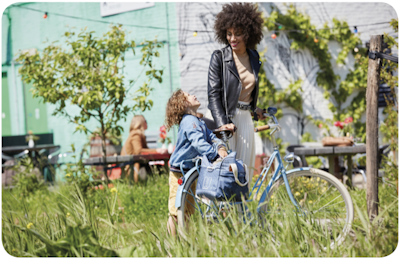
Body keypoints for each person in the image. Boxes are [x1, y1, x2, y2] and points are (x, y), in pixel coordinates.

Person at [205, 2, 266, 186]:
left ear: (248, 33)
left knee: (243, 173)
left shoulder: (254, 58)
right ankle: (213, 214)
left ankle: (240, 215)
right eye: (229, 33)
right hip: (223, 119)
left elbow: (247, 92)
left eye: (238, 33)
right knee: (222, 173)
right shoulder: (219, 58)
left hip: (245, 120)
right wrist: (223, 124)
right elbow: (214, 95)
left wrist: (256, 110)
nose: (233, 38)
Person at [164, 89, 228, 236]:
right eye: (188, 96)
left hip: (191, 171)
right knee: (175, 211)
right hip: (179, 171)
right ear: (183, 104)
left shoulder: (199, 121)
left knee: (188, 211)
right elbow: (198, 143)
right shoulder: (189, 122)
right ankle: (171, 247)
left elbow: (211, 137)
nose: (193, 95)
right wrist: (214, 155)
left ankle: (186, 243)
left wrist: (220, 146)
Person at [121, 115, 167, 182]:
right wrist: (157, 150)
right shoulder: (136, 134)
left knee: (159, 168)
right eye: (145, 121)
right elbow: (138, 151)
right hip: (133, 167)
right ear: (140, 123)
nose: (147, 123)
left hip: (137, 163)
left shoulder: (138, 134)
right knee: (161, 170)